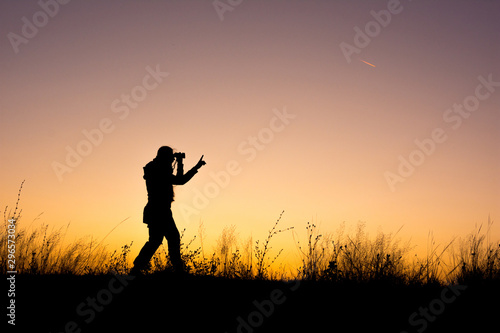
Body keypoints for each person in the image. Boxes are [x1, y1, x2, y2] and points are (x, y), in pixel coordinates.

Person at [131, 146, 206, 275]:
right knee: (170, 238)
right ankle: (177, 270)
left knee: (157, 240)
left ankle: (137, 268)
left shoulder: (155, 167)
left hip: (158, 210)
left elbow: (179, 180)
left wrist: (184, 164)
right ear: (164, 157)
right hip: (159, 211)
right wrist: (189, 166)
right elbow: (180, 180)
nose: (172, 159)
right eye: (170, 156)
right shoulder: (157, 169)